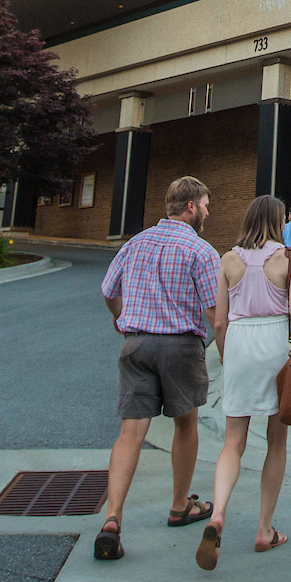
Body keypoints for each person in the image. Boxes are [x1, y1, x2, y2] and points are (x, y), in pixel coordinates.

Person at [94, 176, 223, 562]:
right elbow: (216, 313)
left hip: (135, 342)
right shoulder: (201, 251)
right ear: (190, 208)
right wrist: (227, 350)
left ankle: (112, 517)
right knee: (185, 423)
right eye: (204, 205)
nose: (207, 212)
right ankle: (180, 505)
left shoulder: (135, 243)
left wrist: (123, 321)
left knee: (130, 431)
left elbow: (108, 289)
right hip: (180, 346)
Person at [202, 194, 291, 569]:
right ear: (279, 221)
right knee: (276, 439)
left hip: (241, 343)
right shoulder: (289, 257)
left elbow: (218, 321)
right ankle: (264, 529)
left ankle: (218, 515)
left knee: (234, 440)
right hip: (275, 342)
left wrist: (228, 358)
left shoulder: (227, 259)